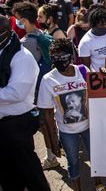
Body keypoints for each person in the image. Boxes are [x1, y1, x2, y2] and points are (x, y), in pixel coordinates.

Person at [37, 38, 104, 191]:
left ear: (71, 56)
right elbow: (46, 114)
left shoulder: (83, 71)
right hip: (67, 132)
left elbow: (97, 92)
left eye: (63, 57)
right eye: (55, 58)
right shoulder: (48, 80)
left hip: (87, 126)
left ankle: (98, 182)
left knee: (95, 156)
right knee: (73, 162)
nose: (59, 62)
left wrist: (102, 76)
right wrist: (53, 141)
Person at [0, 15, 51, 191]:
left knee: (29, 170)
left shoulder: (22, 57)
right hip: (4, 123)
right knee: (8, 172)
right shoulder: (3, 51)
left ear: (4, 34)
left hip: (17, 123)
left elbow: (16, 93)